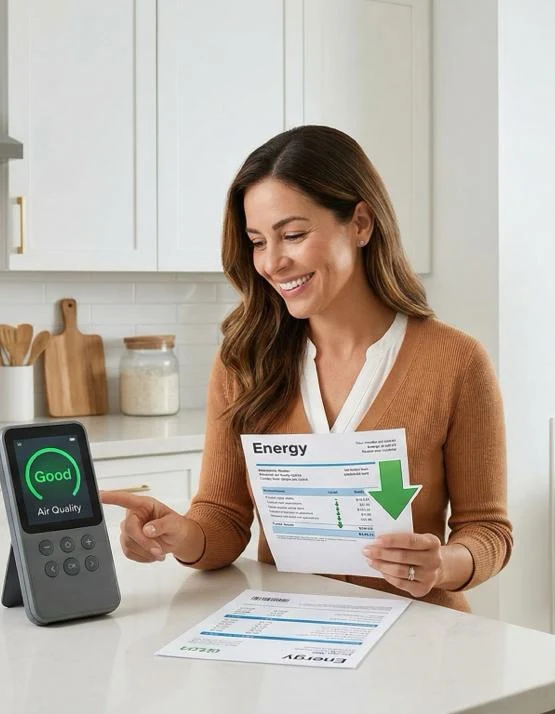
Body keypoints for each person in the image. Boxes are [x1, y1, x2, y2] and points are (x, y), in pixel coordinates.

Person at [100, 125, 513, 613]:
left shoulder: (456, 362)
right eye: (257, 241)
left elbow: (488, 530)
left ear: (360, 223)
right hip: (290, 637)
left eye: (293, 234)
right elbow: (223, 519)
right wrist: (177, 534)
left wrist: (445, 563)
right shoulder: (244, 362)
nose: (272, 262)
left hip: (420, 638)